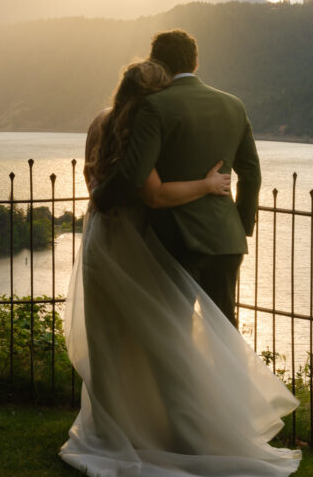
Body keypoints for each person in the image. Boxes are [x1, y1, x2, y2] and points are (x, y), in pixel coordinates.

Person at [59, 57, 300, 477]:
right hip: (134, 246)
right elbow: (155, 193)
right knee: (164, 344)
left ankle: (116, 432)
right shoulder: (139, 131)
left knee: (109, 344)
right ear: (155, 96)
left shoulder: (98, 123)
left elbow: (94, 181)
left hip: (98, 242)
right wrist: (208, 186)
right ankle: (181, 434)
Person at [92, 29, 260, 326]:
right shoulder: (234, 104)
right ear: (196, 62)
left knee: (174, 333)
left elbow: (134, 173)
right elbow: (251, 173)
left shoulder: (154, 106)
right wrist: (241, 223)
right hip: (226, 240)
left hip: (177, 239)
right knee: (223, 335)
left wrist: (101, 198)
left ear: (159, 62)